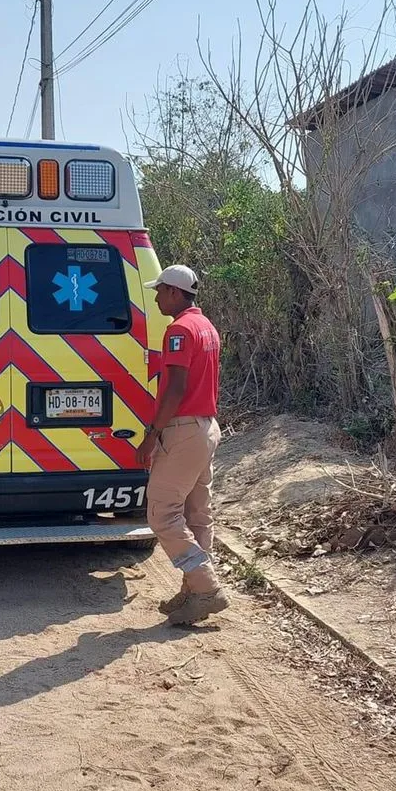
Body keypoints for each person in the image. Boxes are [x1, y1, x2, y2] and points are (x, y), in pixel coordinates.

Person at [137, 264, 227, 626]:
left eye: (160, 291)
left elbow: (175, 389)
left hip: (184, 430)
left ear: (175, 292)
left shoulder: (178, 330)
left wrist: (151, 435)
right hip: (206, 428)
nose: (157, 297)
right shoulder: (206, 326)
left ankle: (206, 587)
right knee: (197, 513)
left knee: (162, 514)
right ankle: (194, 590)